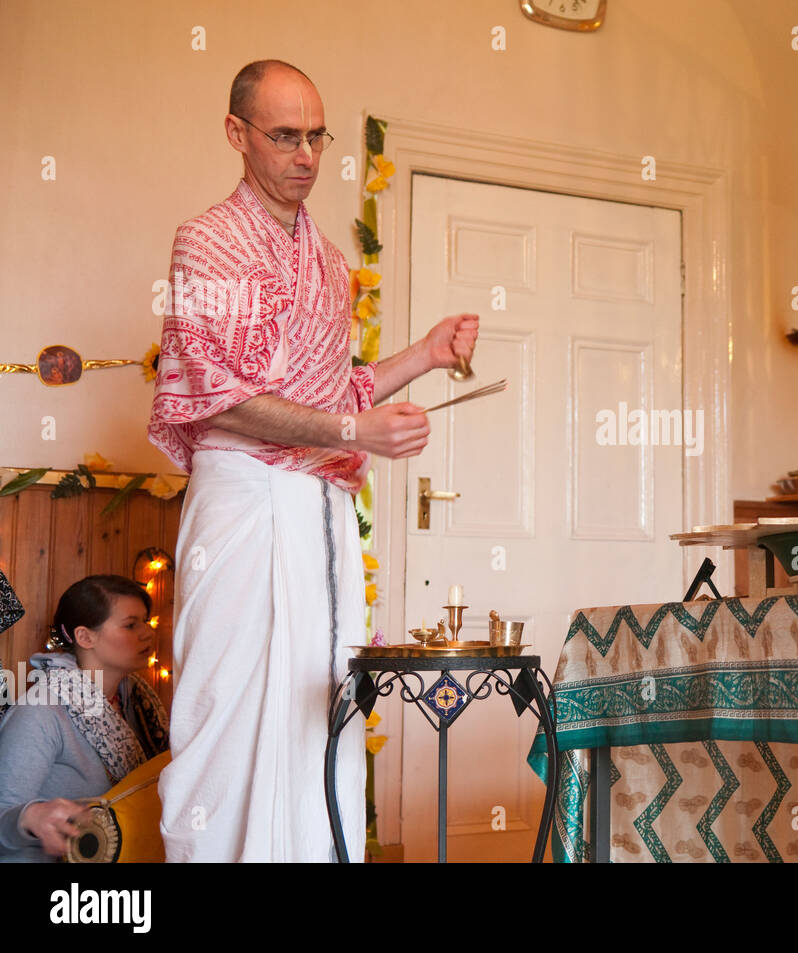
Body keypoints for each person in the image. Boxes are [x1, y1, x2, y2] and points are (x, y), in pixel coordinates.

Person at [147, 59, 478, 862]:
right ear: (238, 134)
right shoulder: (207, 240)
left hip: (318, 513)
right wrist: (353, 432)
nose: (305, 155)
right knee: (231, 711)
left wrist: (424, 355)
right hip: (244, 506)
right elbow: (214, 393)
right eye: (284, 136)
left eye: (316, 137)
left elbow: (338, 390)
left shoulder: (331, 262)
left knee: (318, 708)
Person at [0, 575, 168, 862]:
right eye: (131, 625)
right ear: (85, 637)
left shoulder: (142, 707)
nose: (148, 633)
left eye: (146, 621)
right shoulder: (40, 713)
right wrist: (30, 816)